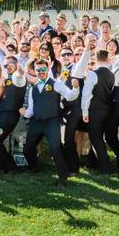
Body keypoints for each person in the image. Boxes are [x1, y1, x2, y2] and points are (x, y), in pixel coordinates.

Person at [21, 59, 80, 187]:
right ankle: (34, 167)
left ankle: (63, 178)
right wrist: (25, 113)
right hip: (36, 122)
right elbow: (31, 109)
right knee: (27, 149)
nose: (41, 72)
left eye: (43, 69)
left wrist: (75, 88)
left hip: (52, 122)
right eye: (38, 70)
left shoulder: (56, 84)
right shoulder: (33, 88)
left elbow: (70, 96)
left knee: (55, 148)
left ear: (47, 69)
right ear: (34, 71)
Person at [81, 50, 116, 174]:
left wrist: (84, 112)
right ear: (107, 59)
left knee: (96, 138)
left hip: (94, 111)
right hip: (107, 110)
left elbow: (86, 94)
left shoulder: (92, 74)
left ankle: (106, 167)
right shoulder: (112, 74)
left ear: (96, 59)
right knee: (98, 136)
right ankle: (91, 162)